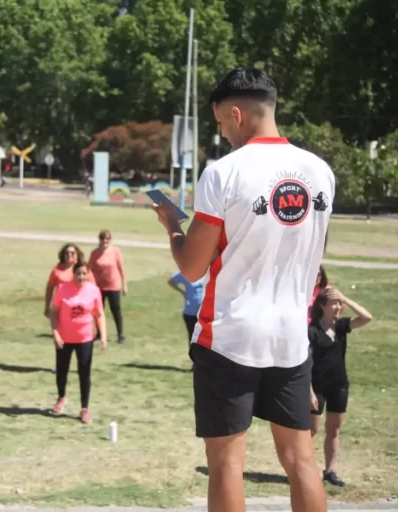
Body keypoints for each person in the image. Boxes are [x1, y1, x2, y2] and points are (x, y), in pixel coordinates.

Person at [151, 67, 334, 512]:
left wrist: (174, 225)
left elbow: (192, 267)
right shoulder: (321, 172)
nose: (222, 133)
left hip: (229, 335)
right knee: (301, 461)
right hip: (290, 337)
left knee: (227, 464)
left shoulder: (223, 172)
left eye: (219, 123)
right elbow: (312, 259)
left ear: (236, 114)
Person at [309, 286, 372, 487]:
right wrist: (309, 390)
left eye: (339, 303)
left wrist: (346, 298)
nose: (337, 307)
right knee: (311, 431)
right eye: (333, 303)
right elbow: (305, 363)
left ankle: (330, 471)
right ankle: (305, 471)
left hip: (339, 386)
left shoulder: (342, 326)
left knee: (334, 430)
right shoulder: (312, 331)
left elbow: (366, 317)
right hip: (316, 388)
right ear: (322, 305)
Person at [49, 262, 107, 424]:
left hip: (85, 339)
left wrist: (103, 334)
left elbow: (99, 314)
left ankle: (84, 408)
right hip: (64, 338)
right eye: (78, 274)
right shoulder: (62, 289)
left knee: (84, 372)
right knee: (62, 370)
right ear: (73, 274)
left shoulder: (94, 290)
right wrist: (55, 333)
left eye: (84, 274)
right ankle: (61, 397)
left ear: (88, 274)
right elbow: (54, 311)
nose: (81, 277)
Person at [88, 230, 127, 344]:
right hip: (98, 287)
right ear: (99, 240)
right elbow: (89, 269)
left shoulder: (116, 251)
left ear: (110, 240)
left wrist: (124, 285)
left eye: (107, 239)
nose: (105, 241)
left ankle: (120, 334)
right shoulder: (94, 253)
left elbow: (121, 269)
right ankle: (99, 333)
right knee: (98, 311)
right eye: (102, 238)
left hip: (113, 286)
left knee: (116, 310)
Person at [43, 243, 95, 319]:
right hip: (61, 306)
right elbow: (50, 288)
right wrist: (47, 306)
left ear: (77, 255)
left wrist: (92, 306)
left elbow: (93, 288)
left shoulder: (84, 269)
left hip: (80, 306)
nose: (69, 255)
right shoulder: (57, 270)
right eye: (66, 253)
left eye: (72, 253)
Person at [167, 271, 205, 346]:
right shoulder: (186, 273)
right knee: (193, 337)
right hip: (191, 312)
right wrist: (182, 292)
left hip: (204, 312)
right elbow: (171, 281)